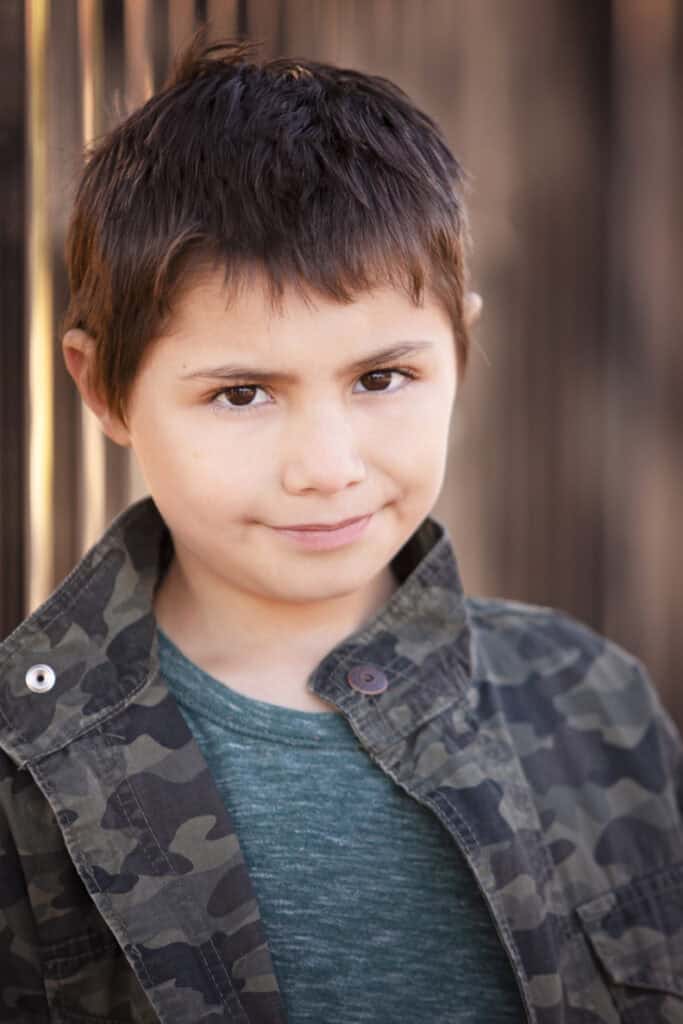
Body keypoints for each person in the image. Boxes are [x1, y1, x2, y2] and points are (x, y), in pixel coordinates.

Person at [1, 31, 682, 1024]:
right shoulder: (24, 767)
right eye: (241, 393)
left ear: (459, 347)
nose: (326, 467)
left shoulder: (592, 706)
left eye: (379, 378)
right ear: (103, 388)